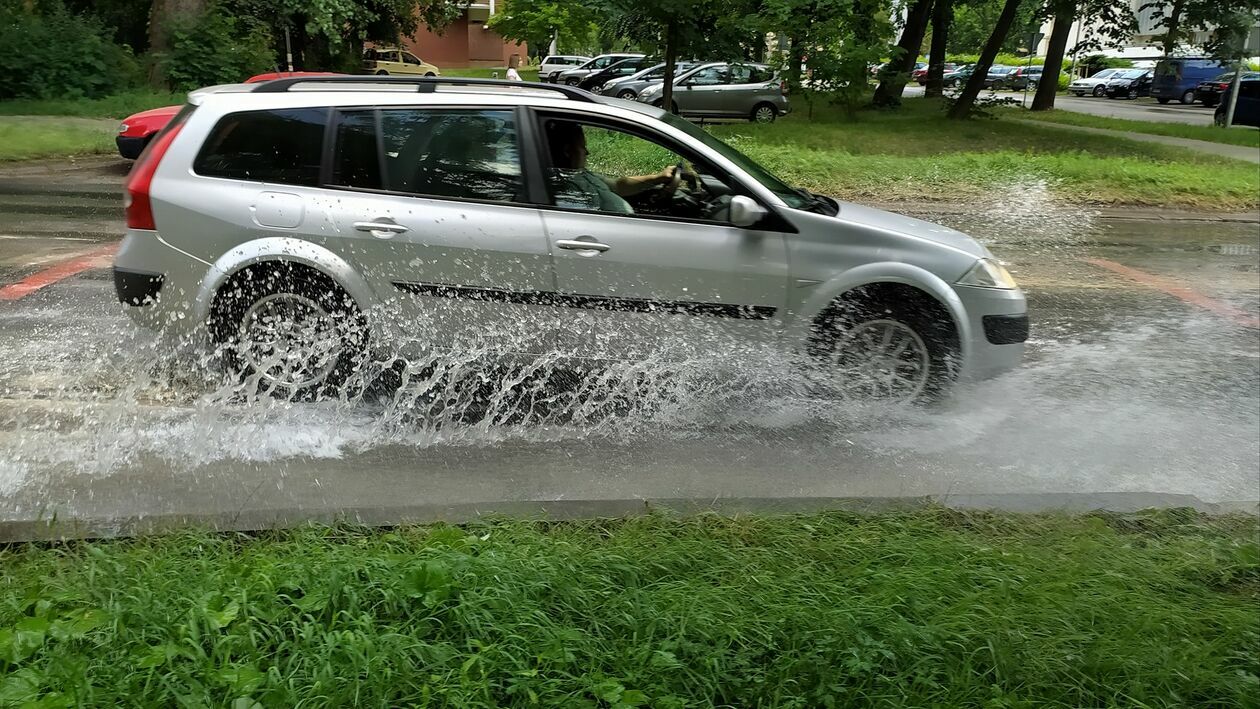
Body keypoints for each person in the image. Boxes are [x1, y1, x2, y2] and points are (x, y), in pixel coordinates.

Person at [544, 120, 682, 214]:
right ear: (567, 151)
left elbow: (617, 185)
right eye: (582, 147)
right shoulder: (567, 189)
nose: (587, 152)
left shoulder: (580, 174)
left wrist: (657, 177)